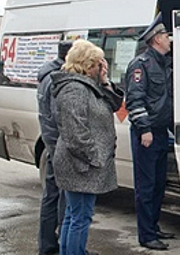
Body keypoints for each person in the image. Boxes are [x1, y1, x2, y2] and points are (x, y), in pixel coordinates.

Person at [50, 39, 124, 255]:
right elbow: (76, 132)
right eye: (98, 63)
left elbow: (114, 105)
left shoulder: (88, 86)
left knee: (75, 215)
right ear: (88, 64)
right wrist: (95, 157)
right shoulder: (74, 88)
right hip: (80, 165)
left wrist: (105, 80)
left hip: (81, 163)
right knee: (80, 217)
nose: (101, 66)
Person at [125, 15, 175, 251]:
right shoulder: (140, 65)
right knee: (145, 187)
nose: (169, 40)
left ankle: (153, 227)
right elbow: (135, 100)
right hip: (147, 134)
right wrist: (144, 129)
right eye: (166, 36)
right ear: (156, 39)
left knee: (158, 185)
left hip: (161, 132)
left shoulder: (165, 63)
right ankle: (146, 235)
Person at [36, 40, 73, 255]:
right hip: (58, 145)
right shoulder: (57, 79)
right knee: (59, 198)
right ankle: (53, 246)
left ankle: (49, 245)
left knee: (52, 197)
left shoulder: (48, 75)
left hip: (53, 143)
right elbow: (58, 118)